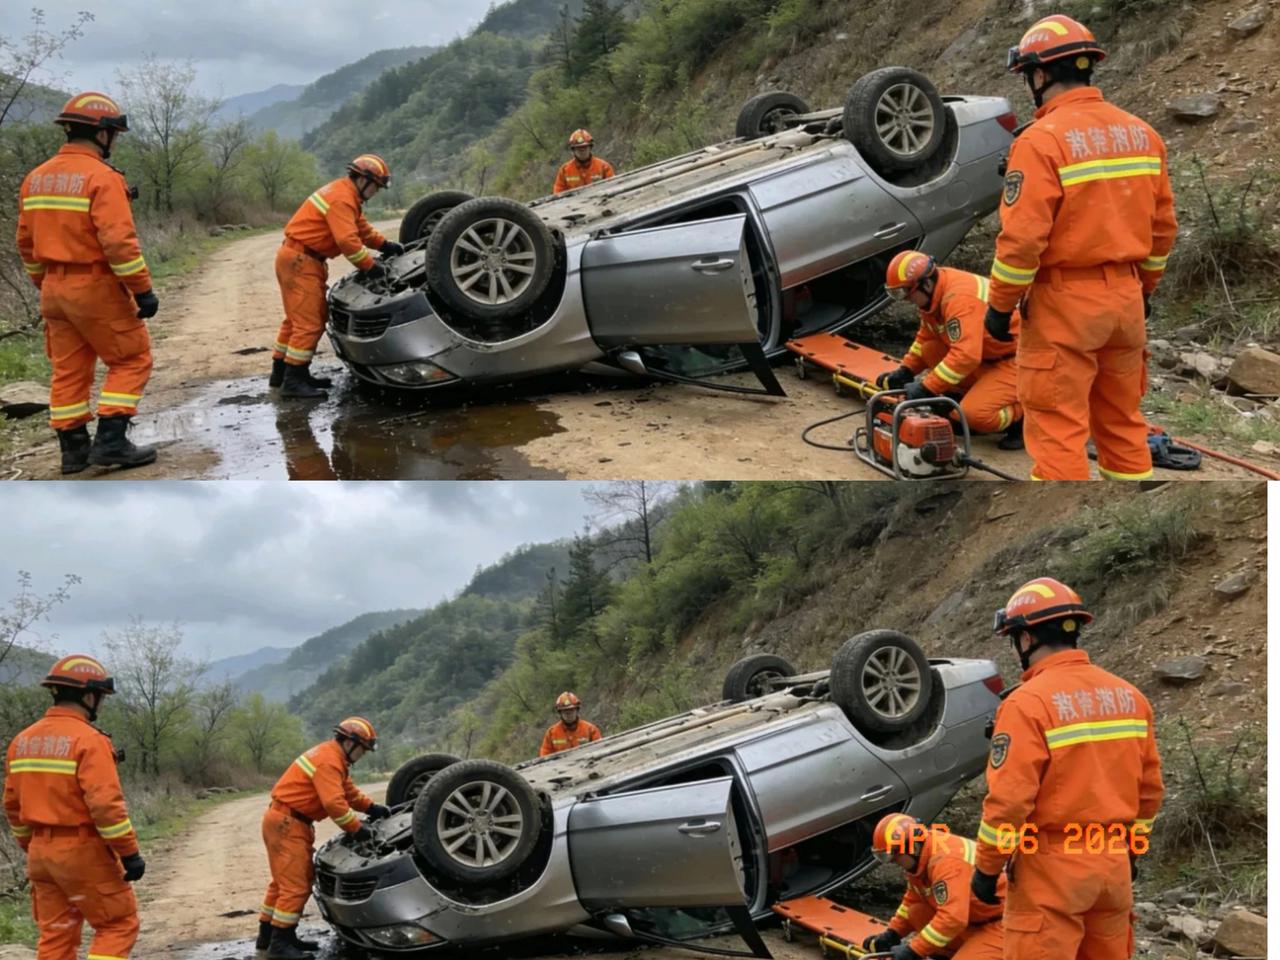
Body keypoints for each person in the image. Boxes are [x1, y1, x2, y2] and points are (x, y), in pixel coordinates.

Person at [984, 14, 1177, 480]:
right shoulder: (1142, 134)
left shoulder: (1041, 141)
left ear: (1041, 74)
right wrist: (1143, 289)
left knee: (1057, 430)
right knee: (1123, 424)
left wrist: (999, 308)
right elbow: (1163, 230)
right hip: (1126, 303)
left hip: (1064, 305)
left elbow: (1023, 240)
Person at [971, 577, 1164, 959]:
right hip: (1112, 866)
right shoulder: (1130, 697)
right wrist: (1131, 852)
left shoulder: (1027, 704)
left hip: (1051, 870)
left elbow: (1009, 803)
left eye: (1015, 640)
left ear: (1026, 640)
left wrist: (986, 870)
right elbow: (1150, 794)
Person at [15, 91, 159, 474]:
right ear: (102, 133)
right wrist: (142, 289)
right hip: (94, 286)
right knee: (131, 358)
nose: (115, 142)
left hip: (53, 290)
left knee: (68, 369)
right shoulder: (102, 178)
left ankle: (73, 451)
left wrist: (42, 284)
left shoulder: (35, 178)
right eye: (115, 134)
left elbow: (25, 244)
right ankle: (112, 440)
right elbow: (119, 243)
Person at [3, 654, 145, 960]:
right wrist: (129, 853)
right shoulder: (90, 741)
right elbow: (106, 808)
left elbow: (12, 807)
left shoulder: (21, 741)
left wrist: (34, 845)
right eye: (101, 698)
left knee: (57, 935)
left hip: (40, 854)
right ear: (89, 695)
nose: (101, 704)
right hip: (82, 851)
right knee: (118, 924)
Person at [270, 154, 404, 399]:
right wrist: (369, 265)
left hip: (298, 258)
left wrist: (385, 245)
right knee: (309, 323)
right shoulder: (342, 199)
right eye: (376, 186)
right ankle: (293, 381)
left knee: (296, 320)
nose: (376, 192)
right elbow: (347, 241)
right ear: (364, 180)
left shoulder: (345, 194)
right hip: (301, 260)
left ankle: (282, 373)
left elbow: (361, 230)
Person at [257, 716, 390, 959]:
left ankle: (269, 936)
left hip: (286, 821)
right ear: (351, 742)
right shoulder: (329, 761)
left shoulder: (333, 757)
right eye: (363, 749)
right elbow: (333, 803)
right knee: (296, 886)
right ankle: (280, 944)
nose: (363, 754)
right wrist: (356, 828)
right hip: (288, 823)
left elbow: (347, 792)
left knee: (283, 883)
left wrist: (371, 808)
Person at [877, 251, 1024, 450]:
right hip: (987, 356)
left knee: (973, 415)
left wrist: (926, 388)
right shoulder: (935, 294)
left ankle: (1022, 416)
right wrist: (906, 371)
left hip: (1018, 361)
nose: (905, 300)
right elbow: (926, 337)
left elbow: (966, 356)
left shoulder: (959, 298)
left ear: (926, 284)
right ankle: (970, 398)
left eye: (906, 293)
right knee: (931, 349)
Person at [862, 814, 1004, 960]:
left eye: (894, 856)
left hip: (1003, 924)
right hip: (973, 919)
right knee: (916, 911)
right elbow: (914, 898)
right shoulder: (922, 856)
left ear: (912, 848)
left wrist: (914, 950)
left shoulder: (947, 862)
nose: (893, 862)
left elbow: (953, 919)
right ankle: (950, 953)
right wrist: (893, 933)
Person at [538, 692, 602, 756]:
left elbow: (600, 749)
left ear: (577, 710)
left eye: (571, 710)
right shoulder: (551, 733)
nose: (568, 714)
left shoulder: (590, 729)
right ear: (560, 712)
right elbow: (544, 756)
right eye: (565, 711)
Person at [552, 130, 615, 194]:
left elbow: (613, 187)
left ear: (590, 147)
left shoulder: (604, 167)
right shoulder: (564, 170)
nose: (582, 151)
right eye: (578, 148)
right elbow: (558, 194)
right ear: (573, 150)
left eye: (585, 147)